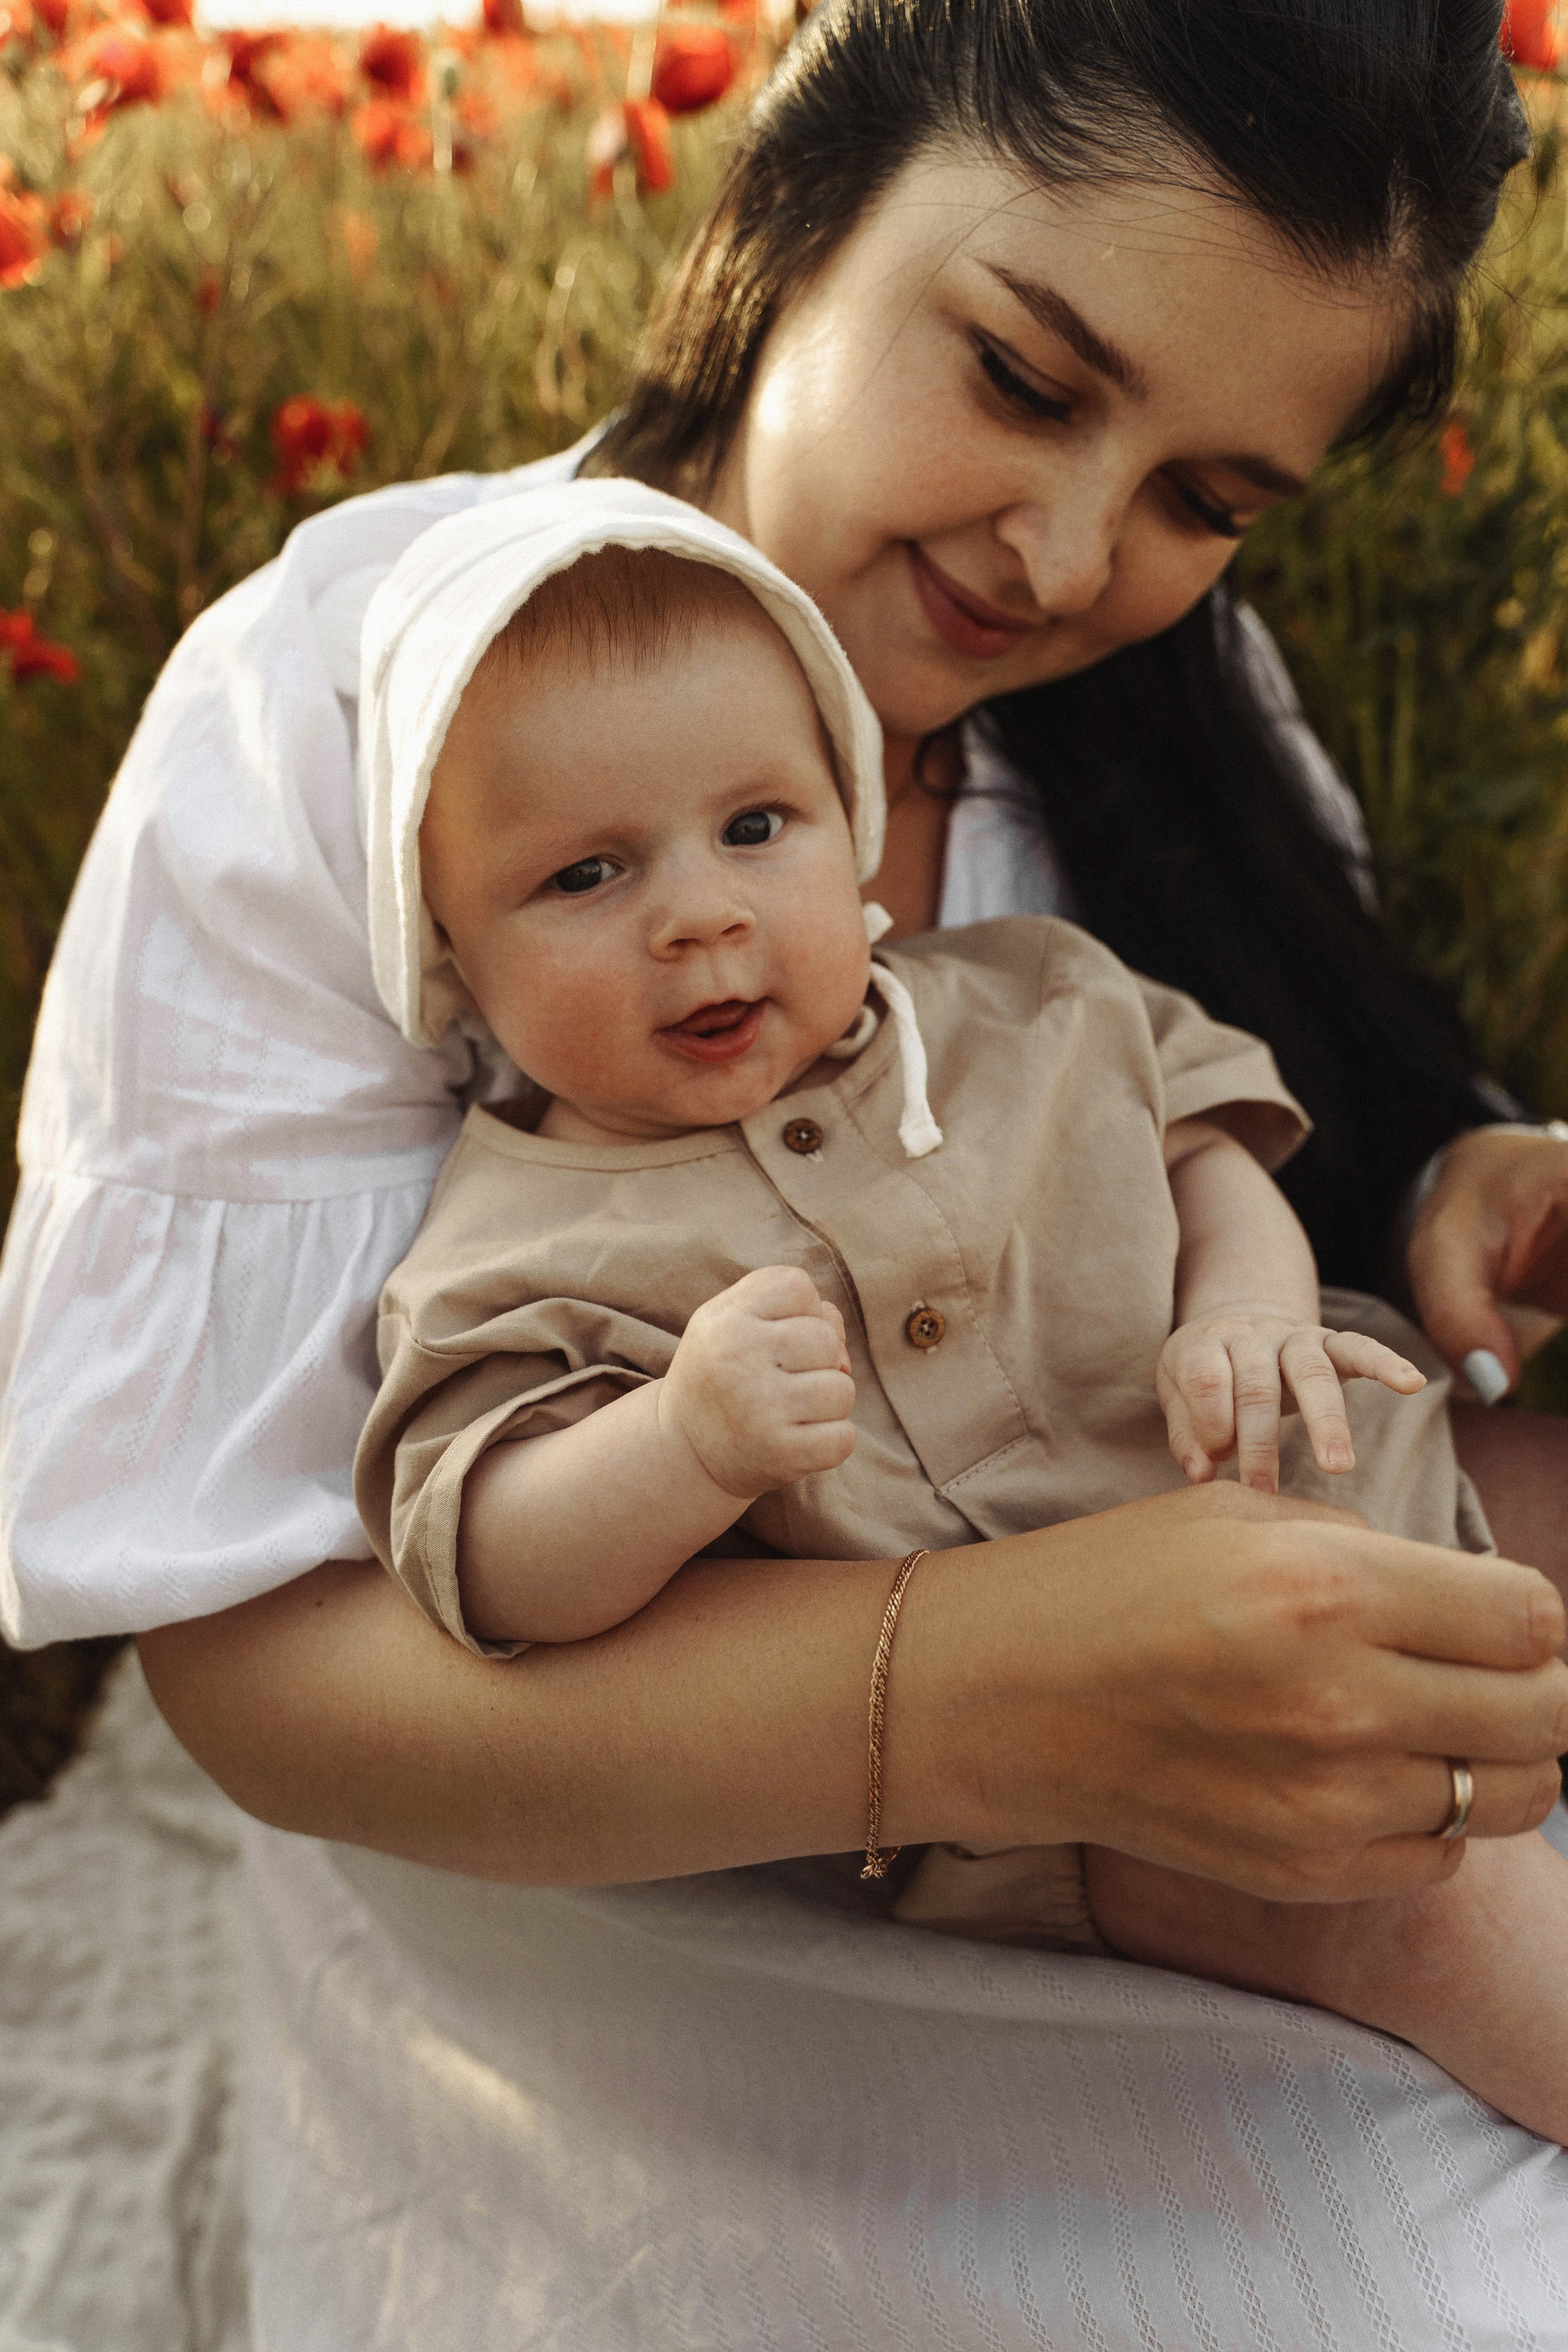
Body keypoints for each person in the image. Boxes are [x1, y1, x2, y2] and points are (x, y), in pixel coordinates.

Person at [5, 1, 1568, 2340]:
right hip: (607, 1819)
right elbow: (264, 1673)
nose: (1065, 554)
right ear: (797, 201)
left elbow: (1209, 1146)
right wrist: (991, 1683)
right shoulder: (362, 705)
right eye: (1028, 378)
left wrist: (1450, 1191)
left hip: (1179, 1609)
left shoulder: (1153, 719)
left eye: (1204, 502)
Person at [353, 483, 1568, 2143]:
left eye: (758, 827)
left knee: (1548, 1487)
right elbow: (493, 1557)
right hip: (1108, 1779)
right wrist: (682, 1443)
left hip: (1361, 1485)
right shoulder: (514, 1248)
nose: (699, 913)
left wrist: (1245, 1309)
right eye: (583, 873)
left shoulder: (1030, 997)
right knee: (1434, 1909)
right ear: (451, 958)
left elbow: (1208, 1151)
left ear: (851, 828)